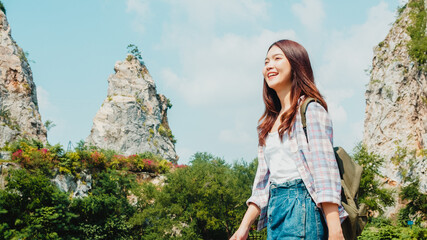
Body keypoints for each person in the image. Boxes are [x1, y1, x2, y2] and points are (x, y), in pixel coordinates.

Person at [230, 40, 347, 240]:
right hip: (276, 210)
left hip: (302, 207)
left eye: (277, 58)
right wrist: (244, 227)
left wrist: (335, 229)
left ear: (296, 65)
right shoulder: (268, 124)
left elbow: (325, 171)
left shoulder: (310, 110)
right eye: (266, 61)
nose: (269, 65)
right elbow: (262, 183)